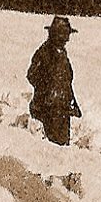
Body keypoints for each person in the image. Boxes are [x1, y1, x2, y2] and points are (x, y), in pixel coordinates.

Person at [26, 17, 80, 146]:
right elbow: (31, 75)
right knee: (51, 149)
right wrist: (47, 90)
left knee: (62, 147)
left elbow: (66, 81)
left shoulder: (62, 54)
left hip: (62, 109)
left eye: (67, 34)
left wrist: (72, 101)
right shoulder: (44, 53)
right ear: (56, 34)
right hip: (48, 110)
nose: (67, 39)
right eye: (64, 35)